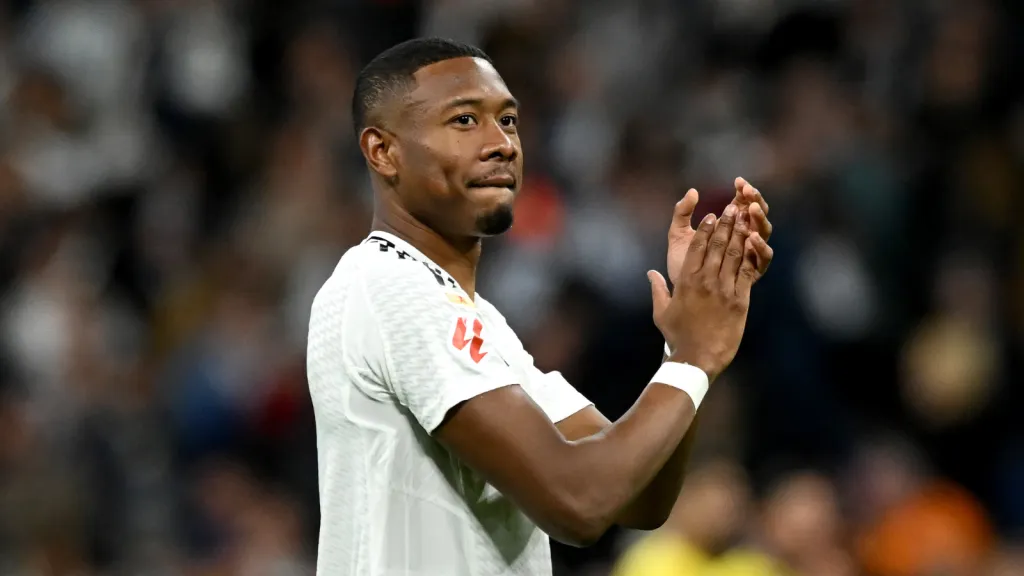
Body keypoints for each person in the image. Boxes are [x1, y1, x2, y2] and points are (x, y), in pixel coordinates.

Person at [305, 37, 774, 576]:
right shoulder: (387, 283)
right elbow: (577, 503)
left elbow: (638, 497)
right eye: (463, 121)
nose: (501, 142)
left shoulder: (482, 323)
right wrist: (692, 358)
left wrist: (684, 346)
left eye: (507, 120)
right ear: (382, 151)